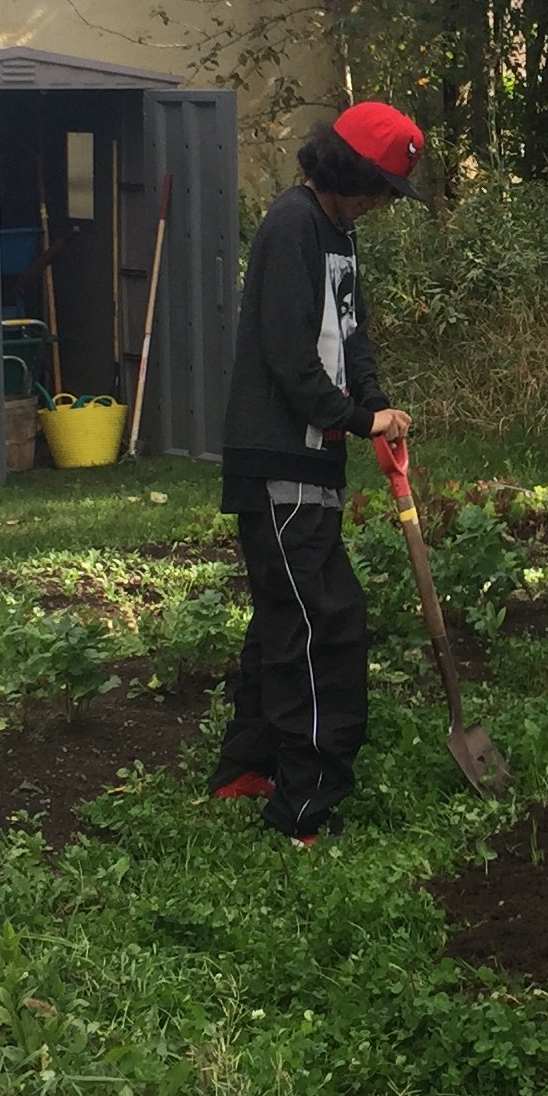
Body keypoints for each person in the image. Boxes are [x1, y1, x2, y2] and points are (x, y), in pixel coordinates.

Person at [206, 100, 423, 843]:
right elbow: (286, 355)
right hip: (279, 459)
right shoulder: (292, 226)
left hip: (313, 457)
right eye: (380, 190)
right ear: (348, 171)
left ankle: (247, 766)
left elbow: (350, 337)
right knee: (322, 624)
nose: (381, 206)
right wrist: (355, 420)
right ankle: (305, 804)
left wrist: (378, 406)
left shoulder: (338, 233)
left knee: (283, 615)